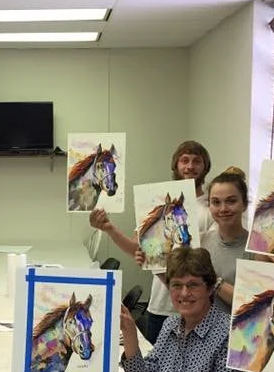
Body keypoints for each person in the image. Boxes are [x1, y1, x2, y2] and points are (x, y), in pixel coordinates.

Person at [117, 247, 272, 372]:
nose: (184, 293)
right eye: (176, 285)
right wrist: (130, 336)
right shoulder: (170, 325)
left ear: (209, 288)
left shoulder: (235, 334)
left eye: (193, 285)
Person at [90, 140, 214, 343]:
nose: (190, 166)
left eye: (196, 161)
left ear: (205, 167)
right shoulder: (158, 203)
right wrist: (109, 229)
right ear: (176, 165)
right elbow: (137, 249)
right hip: (160, 306)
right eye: (185, 160)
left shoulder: (211, 206)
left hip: (198, 307)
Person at [198, 167, 257, 313]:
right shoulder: (200, 241)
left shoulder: (257, 248)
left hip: (240, 333)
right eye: (216, 202)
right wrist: (155, 266)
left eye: (231, 201)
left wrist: (214, 281)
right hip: (203, 332)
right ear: (209, 206)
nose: (223, 208)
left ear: (244, 204)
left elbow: (253, 305)